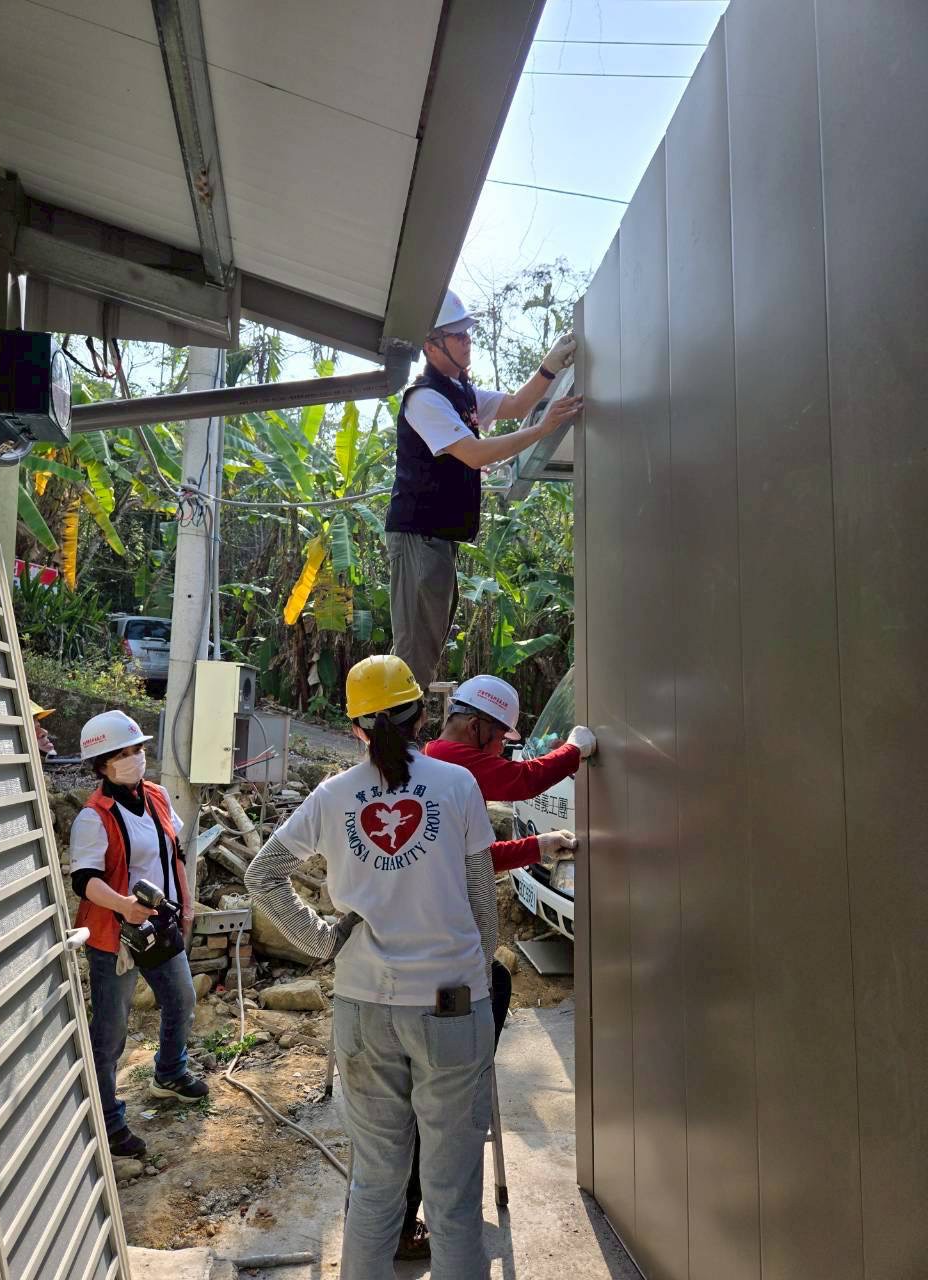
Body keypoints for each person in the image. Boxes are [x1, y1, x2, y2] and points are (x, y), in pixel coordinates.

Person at [245, 656, 498, 1280]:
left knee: (376, 1187)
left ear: (355, 727)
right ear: (423, 717)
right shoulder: (458, 786)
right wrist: (475, 970)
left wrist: (321, 941)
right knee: (452, 1195)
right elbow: (481, 900)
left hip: (362, 1008)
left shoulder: (332, 796)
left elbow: (262, 874)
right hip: (451, 1004)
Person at [395, 673, 597, 1256]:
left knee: (494, 990)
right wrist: (575, 750)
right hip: (442, 968)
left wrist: (538, 846)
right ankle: (406, 1224)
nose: (503, 751)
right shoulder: (455, 763)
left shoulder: (428, 765)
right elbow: (525, 779)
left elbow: (476, 856)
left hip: (414, 961)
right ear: (478, 726)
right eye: (500, 739)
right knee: (438, 1099)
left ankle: (395, 1215)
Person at [385, 289, 584, 692]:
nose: (466, 340)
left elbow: (514, 405)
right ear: (431, 345)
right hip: (419, 537)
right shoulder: (425, 399)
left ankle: (398, 728)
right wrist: (543, 429)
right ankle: (393, 730)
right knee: (414, 654)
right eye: (457, 335)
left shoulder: (460, 392)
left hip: (436, 540)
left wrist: (548, 368)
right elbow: (474, 454)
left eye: (467, 333)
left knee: (424, 648)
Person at [69, 709, 207, 1159]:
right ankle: (107, 1119)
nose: (134, 759)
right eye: (122, 754)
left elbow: (175, 853)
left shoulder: (157, 796)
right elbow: (84, 880)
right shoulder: (93, 817)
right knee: (111, 1031)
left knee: (182, 999)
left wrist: (186, 904)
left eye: (137, 750)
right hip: (116, 937)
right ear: (102, 765)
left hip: (160, 925)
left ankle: (170, 1072)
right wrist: (124, 905)